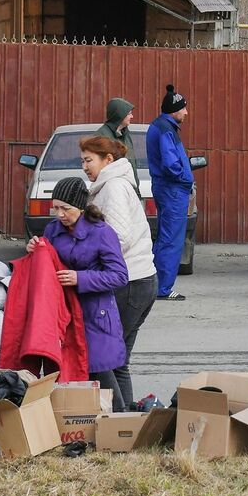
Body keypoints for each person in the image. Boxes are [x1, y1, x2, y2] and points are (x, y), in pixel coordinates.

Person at [32, 177, 128, 405]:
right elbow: (46, 259)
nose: (59, 214)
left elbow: (120, 275)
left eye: (65, 208)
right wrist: (34, 248)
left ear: (81, 207)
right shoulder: (53, 230)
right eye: (55, 207)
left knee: (99, 370)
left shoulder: (102, 232)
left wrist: (80, 278)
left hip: (95, 313)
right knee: (69, 370)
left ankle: (121, 420)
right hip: (64, 311)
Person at [80, 135, 157, 410]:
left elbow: (119, 238)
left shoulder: (112, 187)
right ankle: (128, 423)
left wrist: (88, 262)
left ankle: (120, 418)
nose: (84, 166)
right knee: (118, 358)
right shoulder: (109, 185)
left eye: (89, 160)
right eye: (82, 161)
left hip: (131, 282)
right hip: (141, 279)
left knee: (103, 357)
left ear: (108, 160)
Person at [145, 85, 194, 302]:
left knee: (166, 237)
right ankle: (163, 288)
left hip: (168, 188)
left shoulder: (162, 126)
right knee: (171, 239)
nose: (186, 112)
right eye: (183, 108)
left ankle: (155, 284)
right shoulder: (166, 129)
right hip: (173, 190)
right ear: (174, 110)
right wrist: (184, 179)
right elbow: (170, 163)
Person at [100, 97, 140, 187]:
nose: (132, 116)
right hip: (114, 191)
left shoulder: (125, 134)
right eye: (129, 114)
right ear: (119, 115)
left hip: (131, 191)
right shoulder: (102, 137)